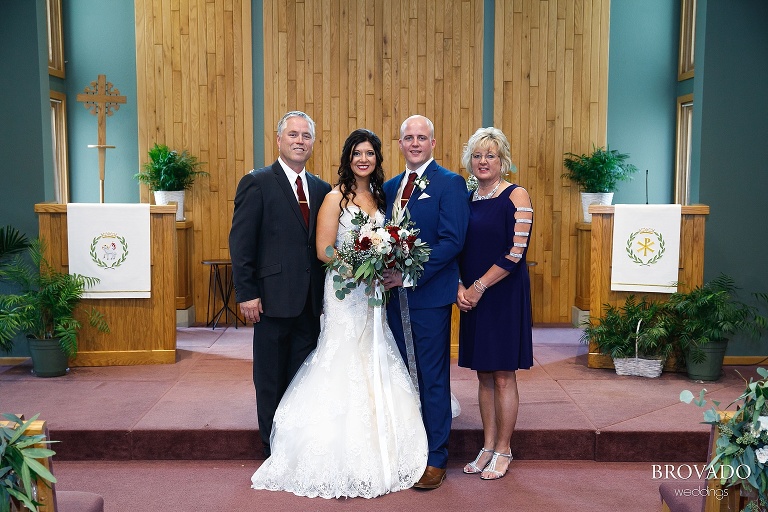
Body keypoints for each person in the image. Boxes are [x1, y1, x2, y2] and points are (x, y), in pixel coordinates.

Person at [250, 129, 428, 498]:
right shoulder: (334, 197)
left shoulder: (381, 196)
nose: (364, 159)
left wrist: (382, 261)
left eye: (370, 154)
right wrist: (360, 263)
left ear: (378, 159)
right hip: (346, 292)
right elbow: (324, 249)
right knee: (343, 354)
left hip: (375, 291)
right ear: (348, 158)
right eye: (357, 153)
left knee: (373, 352)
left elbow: (391, 238)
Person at [229, 111, 331, 458]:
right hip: (270, 299)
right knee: (271, 378)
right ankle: (271, 448)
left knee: (302, 377)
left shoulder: (321, 188)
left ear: (313, 143)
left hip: (309, 301)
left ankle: (296, 443)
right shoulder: (257, 182)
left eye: (306, 136)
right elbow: (241, 243)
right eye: (293, 134)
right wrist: (247, 292)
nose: (300, 141)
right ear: (278, 140)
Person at [382, 115, 470, 490]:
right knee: (401, 376)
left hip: (429, 297)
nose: (415, 143)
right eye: (408, 138)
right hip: (390, 298)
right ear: (400, 144)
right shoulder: (388, 187)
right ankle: (408, 448)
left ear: (433, 143)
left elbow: (452, 241)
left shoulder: (449, 184)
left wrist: (411, 275)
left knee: (432, 377)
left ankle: (436, 457)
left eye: (422, 137)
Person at [455, 127, 533, 480]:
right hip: (472, 295)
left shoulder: (517, 195)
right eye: (477, 155)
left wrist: (478, 287)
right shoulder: (467, 198)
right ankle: (487, 447)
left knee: (502, 374)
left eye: (490, 155)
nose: (483, 162)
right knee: (483, 375)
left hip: (501, 294)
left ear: (503, 160)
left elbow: (516, 253)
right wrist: (459, 286)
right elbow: (456, 246)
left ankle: (504, 448)